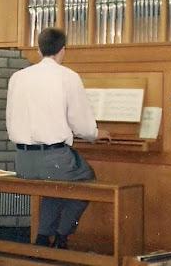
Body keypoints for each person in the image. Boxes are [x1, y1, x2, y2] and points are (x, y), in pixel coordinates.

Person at [6, 27, 110, 249]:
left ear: (38, 49)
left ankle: (43, 237)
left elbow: (11, 118)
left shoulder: (18, 77)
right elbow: (82, 124)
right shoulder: (68, 77)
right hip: (52, 159)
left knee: (57, 184)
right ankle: (62, 236)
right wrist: (95, 134)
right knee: (86, 181)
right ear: (63, 50)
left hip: (22, 161)